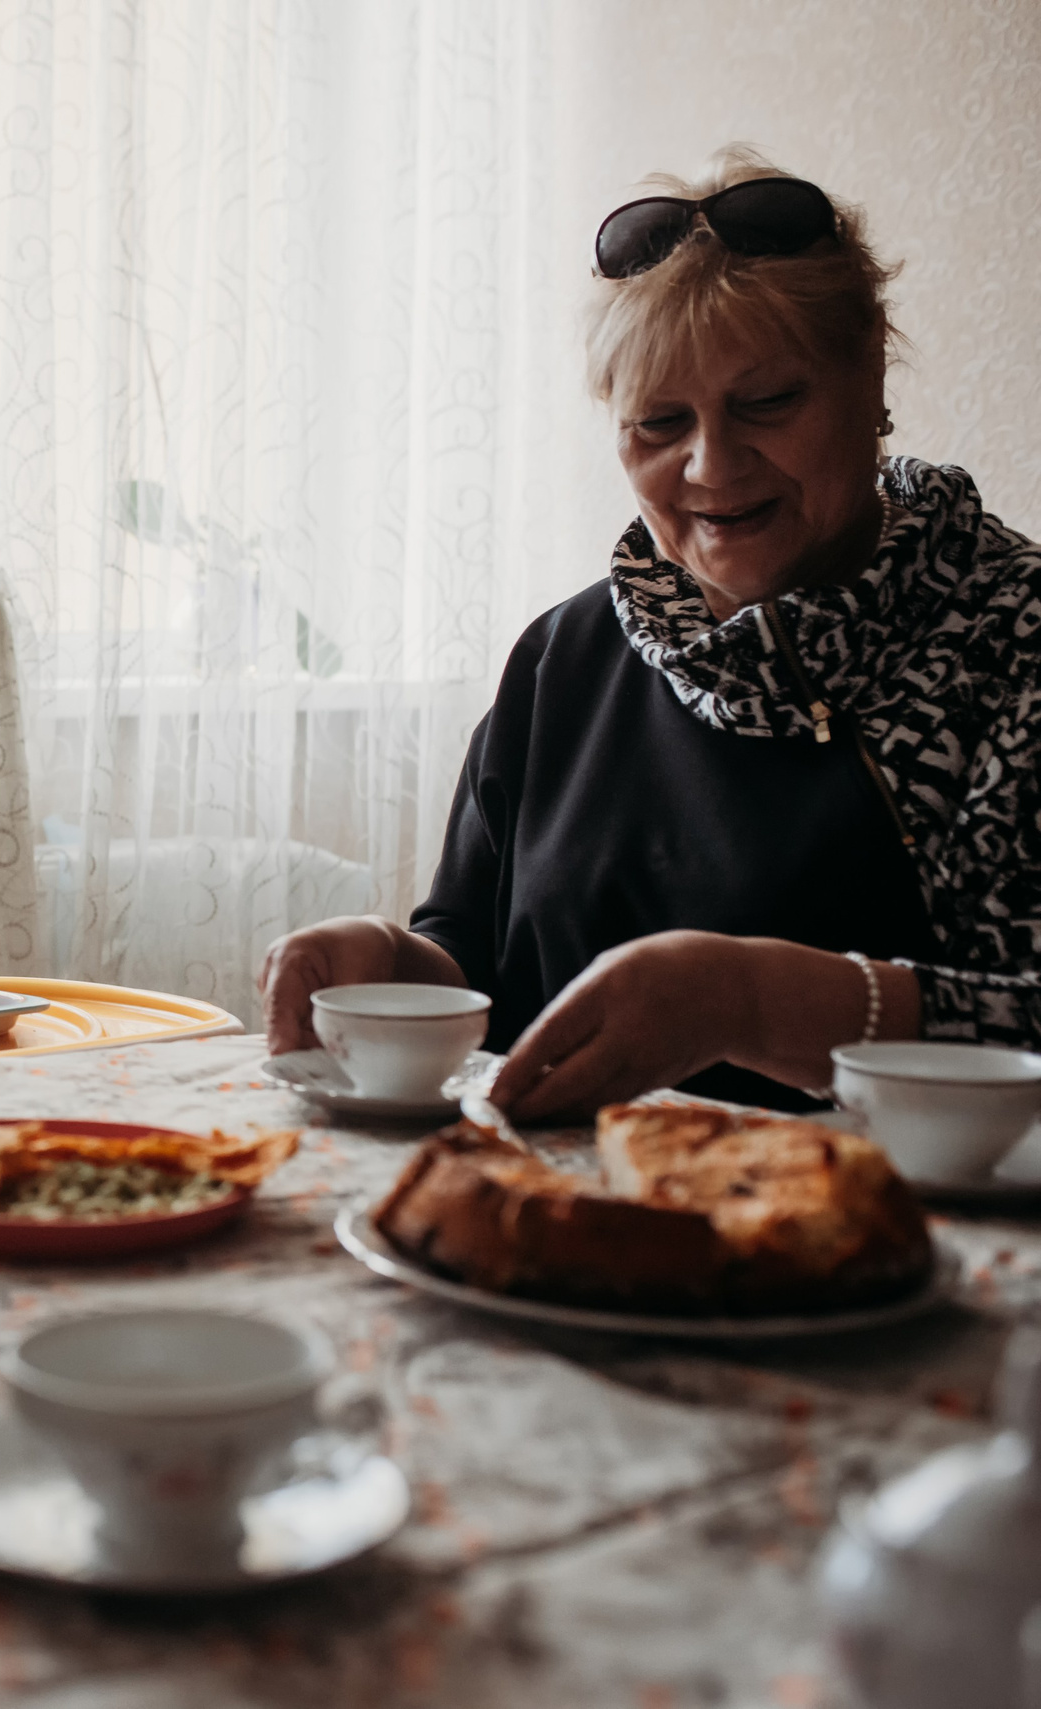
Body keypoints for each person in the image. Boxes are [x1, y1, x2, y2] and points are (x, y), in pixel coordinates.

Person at [262, 147, 1041, 1120]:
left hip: (883, 1248)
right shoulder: (564, 655)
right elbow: (477, 963)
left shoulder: (1008, 639)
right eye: (659, 421)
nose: (711, 465)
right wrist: (385, 961)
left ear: (869, 367)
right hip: (554, 1235)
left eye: (767, 402)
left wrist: (747, 1002)